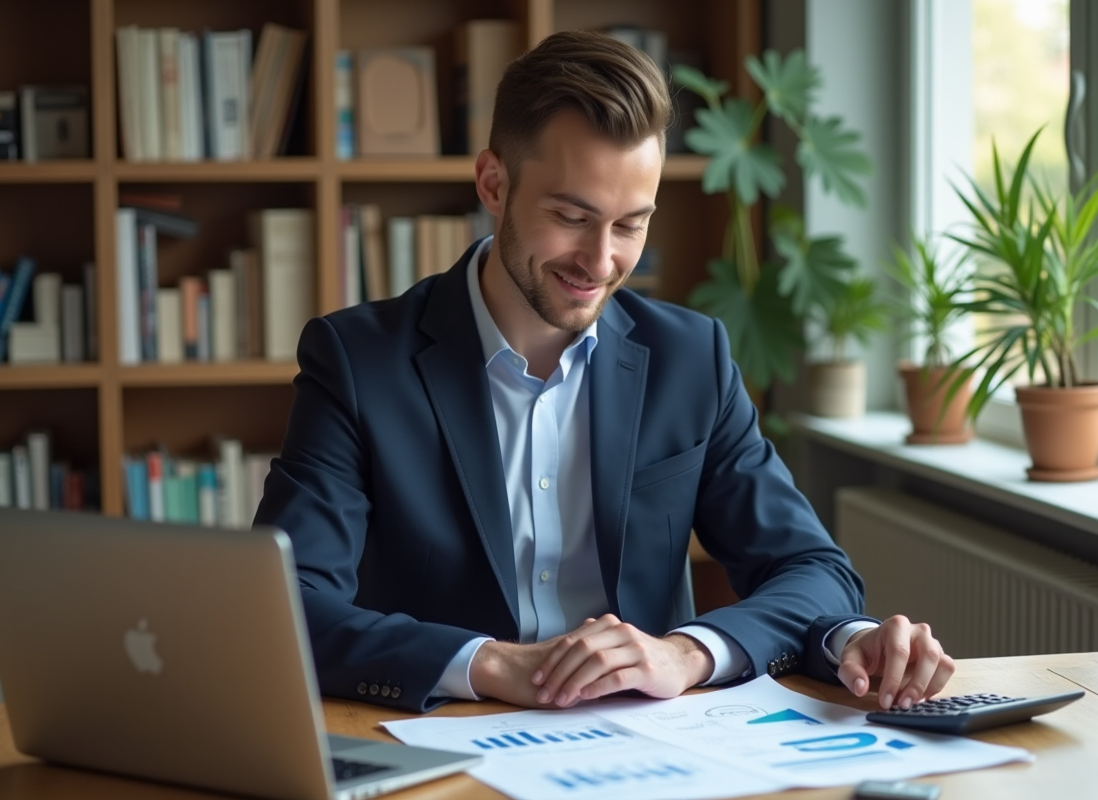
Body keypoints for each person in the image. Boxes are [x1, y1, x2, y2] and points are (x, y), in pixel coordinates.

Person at [254, 30, 954, 715]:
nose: (601, 261)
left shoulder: (691, 358)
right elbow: (288, 604)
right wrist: (490, 663)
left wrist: (685, 654)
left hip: (649, 753)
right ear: (493, 184)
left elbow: (813, 571)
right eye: (571, 215)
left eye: (630, 224)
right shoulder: (357, 362)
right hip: (445, 741)